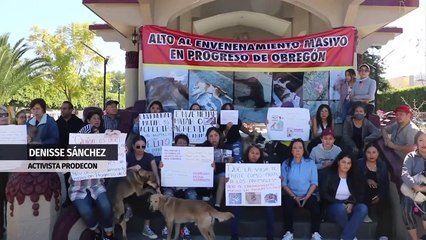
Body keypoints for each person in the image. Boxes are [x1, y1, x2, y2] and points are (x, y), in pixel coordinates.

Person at [68, 110, 114, 240]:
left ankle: (108, 233)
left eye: (99, 118)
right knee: (85, 211)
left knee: (106, 206)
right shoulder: (78, 140)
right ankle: (96, 230)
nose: (97, 120)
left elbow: (115, 155)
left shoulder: (104, 140)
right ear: (88, 121)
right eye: (94, 118)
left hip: (96, 183)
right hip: (79, 185)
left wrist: (121, 148)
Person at [229, 145, 275, 240]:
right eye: (252, 153)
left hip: (260, 195)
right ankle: (234, 236)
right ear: (248, 153)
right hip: (244, 194)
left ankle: (270, 236)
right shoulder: (240, 164)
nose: (254, 155)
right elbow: (232, 177)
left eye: (257, 153)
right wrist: (228, 179)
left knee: (270, 206)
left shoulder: (265, 164)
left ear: (260, 155)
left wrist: (277, 178)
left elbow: (272, 177)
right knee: (235, 206)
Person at [320, 151, 368, 240]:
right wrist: (341, 203)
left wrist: (351, 203)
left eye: (349, 163)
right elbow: (324, 194)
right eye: (343, 162)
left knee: (363, 208)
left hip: (350, 207)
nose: (346, 165)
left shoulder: (354, 176)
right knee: (340, 208)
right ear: (338, 162)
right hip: (333, 207)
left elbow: (360, 194)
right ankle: (351, 236)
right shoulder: (329, 175)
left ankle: (346, 237)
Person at [281, 139, 322, 240]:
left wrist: (307, 196)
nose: (297, 150)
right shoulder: (286, 164)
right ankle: (288, 233)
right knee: (287, 206)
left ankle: (315, 233)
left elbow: (314, 182)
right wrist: (294, 197)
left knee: (316, 207)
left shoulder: (310, 163)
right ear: (291, 150)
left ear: (304, 150)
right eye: (294, 148)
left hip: (307, 194)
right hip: (291, 194)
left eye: (300, 148)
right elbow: (284, 184)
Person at [160, 134, 196, 240]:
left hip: (188, 186)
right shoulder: (168, 155)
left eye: (184, 144)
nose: (182, 145)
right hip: (171, 186)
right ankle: (167, 226)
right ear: (175, 144)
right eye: (180, 143)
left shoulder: (193, 157)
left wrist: (208, 166)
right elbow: (163, 175)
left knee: (192, 197)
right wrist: (161, 167)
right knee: (166, 197)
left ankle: (185, 228)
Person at [126, 135, 160, 239]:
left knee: (150, 196)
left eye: (143, 146)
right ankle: (128, 208)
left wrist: (158, 187)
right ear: (133, 146)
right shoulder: (129, 156)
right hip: (130, 185)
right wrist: (131, 168)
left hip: (145, 187)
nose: (141, 149)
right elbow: (120, 171)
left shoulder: (149, 156)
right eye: (138, 146)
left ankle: (146, 227)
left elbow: (155, 173)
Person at [358, 143, 391, 239]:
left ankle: (383, 235)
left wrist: (380, 196)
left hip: (378, 192)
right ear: (365, 153)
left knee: (386, 205)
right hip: (363, 191)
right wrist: (366, 180)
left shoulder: (382, 165)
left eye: (374, 152)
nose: (371, 155)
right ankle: (364, 213)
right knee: (364, 194)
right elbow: (355, 180)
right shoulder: (360, 163)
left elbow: (385, 184)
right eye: (368, 152)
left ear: (378, 153)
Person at [400, 131, 426, 240]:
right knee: (405, 207)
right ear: (416, 142)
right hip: (413, 190)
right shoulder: (411, 156)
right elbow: (405, 174)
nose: (424, 143)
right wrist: (415, 186)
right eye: (421, 140)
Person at [201, 127, 229, 210]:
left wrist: (230, 161)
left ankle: (217, 205)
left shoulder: (225, 147)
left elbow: (227, 166)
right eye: (211, 136)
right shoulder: (202, 147)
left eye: (216, 135)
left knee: (222, 177)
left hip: (218, 174)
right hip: (205, 175)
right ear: (207, 138)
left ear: (219, 136)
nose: (214, 138)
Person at [0, 106, 9, 238]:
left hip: (10, 171)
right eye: (0, 115)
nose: (3, 117)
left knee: (9, 200)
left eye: (5, 114)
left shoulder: (15, 130)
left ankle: (10, 225)